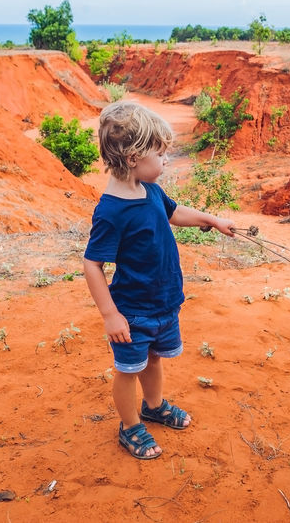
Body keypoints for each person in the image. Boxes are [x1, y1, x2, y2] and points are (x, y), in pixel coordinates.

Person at [83, 101, 235, 459]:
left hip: (164, 302)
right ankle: (130, 425)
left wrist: (211, 219)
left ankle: (153, 406)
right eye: (161, 154)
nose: (166, 160)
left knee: (153, 360)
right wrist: (110, 315)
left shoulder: (148, 189)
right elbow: (92, 264)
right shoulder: (111, 210)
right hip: (133, 313)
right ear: (134, 157)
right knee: (127, 370)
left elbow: (174, 212)